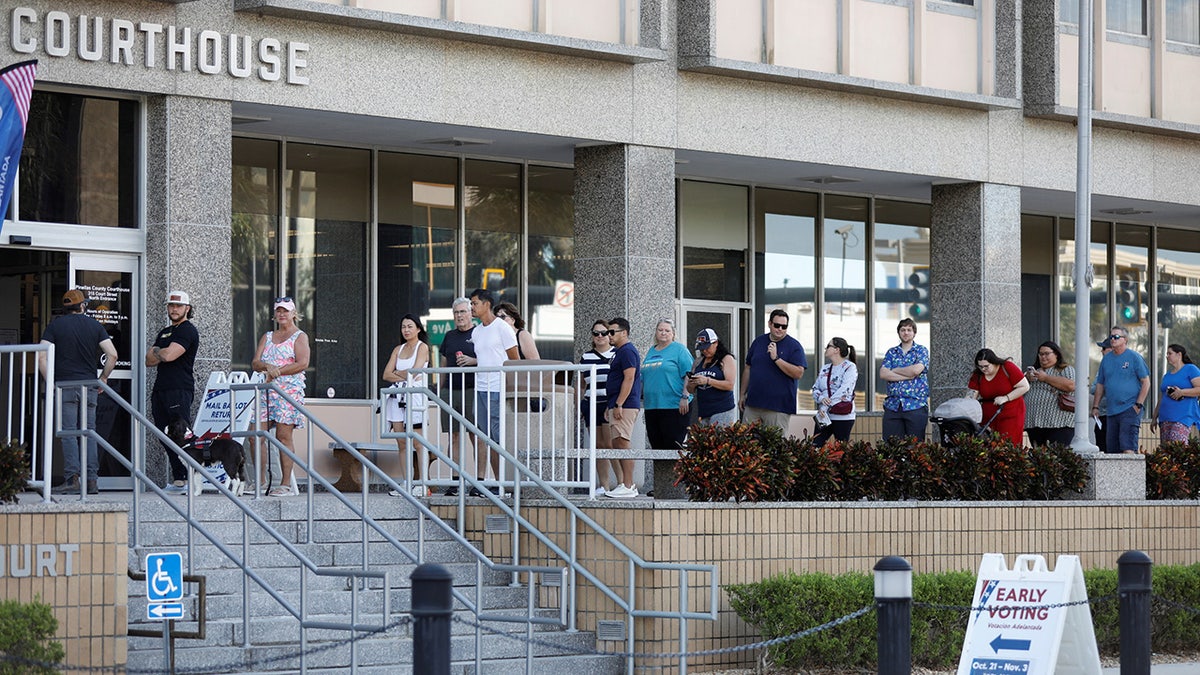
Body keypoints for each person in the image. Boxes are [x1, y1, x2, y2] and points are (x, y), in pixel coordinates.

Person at [40, 289, 117, 495]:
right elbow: (112, 355)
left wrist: (52, 383)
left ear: (65, 308)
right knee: (89, 433)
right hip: (89, 386)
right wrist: (103, 377)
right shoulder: (94, 325)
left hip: (65, 386)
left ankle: (72, 479)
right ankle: (92, 480)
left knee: (69, 433)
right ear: (82, 306)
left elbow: (41, 357)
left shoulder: (55, 326)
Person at [251, 296, 310, 496]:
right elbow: (255, 362)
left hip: (288, 391)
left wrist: (279, 371)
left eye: (285, 310)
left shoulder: (299, 336)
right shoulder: (267, 336)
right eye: (278, 311)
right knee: (255, 434)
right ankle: (260, 481)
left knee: (283, 436)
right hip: (266, 390)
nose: (282, 314)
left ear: (294, 313)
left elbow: (303, 363)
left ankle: (285, 483)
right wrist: (267, 366)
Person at [146, 290, 200, 495]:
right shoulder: (165, 331)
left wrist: (159, 351)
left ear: (187, 308)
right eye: (171, 305)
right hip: (161, 388)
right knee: (164, 434)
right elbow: (148, 360)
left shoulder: (187, 330)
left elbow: (167, 356)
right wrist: (161, 353)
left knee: (181, 433)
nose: (174, 309)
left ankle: (192, 477)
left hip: (179, 389)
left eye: (178, 306)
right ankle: (179, 478)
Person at [469, 288, 519, 494]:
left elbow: (514, 360)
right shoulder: (477, 330)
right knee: (485, 437)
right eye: (471, 304)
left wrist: (510, 387)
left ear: (486, 304)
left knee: (500, 438)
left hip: (498, 389)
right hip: (480, 388)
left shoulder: (502, 328)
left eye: (474, 303)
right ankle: (499, 482)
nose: (472, 307)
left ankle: (508, 483)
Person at [382, 314, 431, 497]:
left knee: (418, 442)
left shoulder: (422, 347)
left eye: (410, 326)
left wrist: (400, 373)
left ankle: (423, 483)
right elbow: (386, 374)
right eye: (403, 327)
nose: (406, 330)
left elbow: (416, 372)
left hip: (415, 397)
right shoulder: (398, 348)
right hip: (397, 396)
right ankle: (407, 482)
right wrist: (404, 375)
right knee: (401, 441)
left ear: (418, 328)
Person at [740, 309, 807, 434]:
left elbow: (798, 373)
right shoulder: (758, 342)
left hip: (778, 407)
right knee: (746, 445)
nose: (780, 329)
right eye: (777, 325)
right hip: (753, 404)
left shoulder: (794, 346)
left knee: (776, 448)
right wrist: (742, 394)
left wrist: (776, 358)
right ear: (770, 324)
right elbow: (748, 368)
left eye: (784, 326)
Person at [1090, 326, 1151, 454]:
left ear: (1125, 340)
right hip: (1111, 411)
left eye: (1117, 336)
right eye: (1111, 337)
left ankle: (1131, 474)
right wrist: (1095, 407)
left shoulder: (1134, 357)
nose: (1113, 339)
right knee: (1112, 449)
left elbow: (1146, 382)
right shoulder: (1106, 359)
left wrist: (1138, 404)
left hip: (1129, 408)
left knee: (1127, 446)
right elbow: (1100, 384)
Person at [579, 319, 622, 495]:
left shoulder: (616, 354)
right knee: (597, 446)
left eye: (604, 333)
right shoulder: (586, 357)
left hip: (608, 403)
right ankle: (603, 485)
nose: (600, 336)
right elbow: (581, 384)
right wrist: (578, 406)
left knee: (610, 444)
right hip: (591, 403)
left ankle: (622, 483)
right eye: (596, 333)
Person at [439, 297, 477, 497]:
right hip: (451, 391)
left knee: (475, 436)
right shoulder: (449, 336)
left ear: (471, 313)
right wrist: (440, 389)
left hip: (473, 390)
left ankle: (479, 482)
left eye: (463, 312)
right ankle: (456, 481)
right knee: (453, 436)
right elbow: (444, 364)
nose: (459, 316)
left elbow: (491, 359)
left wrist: (473, 361)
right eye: (456, 313)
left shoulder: (479, 334)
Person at [641, 319, 693, 451]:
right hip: (652, 406)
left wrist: (685, 396)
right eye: (660, 330)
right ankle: (660, 473)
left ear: (673, 333)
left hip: (674, 406)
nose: (663, 333)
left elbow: (689, 373)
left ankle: (672, 473)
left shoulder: (679, 349)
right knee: (656, 448)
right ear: (656, 332)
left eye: (667, 330)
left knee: (672, 448)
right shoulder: (651, 351)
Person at [605, 317, 642, 499]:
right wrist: (611, 404)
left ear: (624, 333)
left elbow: (629, 378)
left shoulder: (627, 351)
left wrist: (619, 403)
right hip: (617, 403)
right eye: (607, 332)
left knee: (622, 441)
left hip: (625, 404)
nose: (608, 336)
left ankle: (629, 485)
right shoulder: (618, 352)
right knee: (617, 443)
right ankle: (625, 484)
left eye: (612, 332)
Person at [879, 318, 930, 442]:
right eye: (902, 330)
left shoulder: (921, 350)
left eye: (909, 330)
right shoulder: (892, 352)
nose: (906, 333)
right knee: (892, 446)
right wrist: (908, 375)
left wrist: (895, 369)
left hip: (915, 405)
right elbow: (883, 373)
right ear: (899, 333)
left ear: (914, 333)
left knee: (915, 447)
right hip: (893, 406)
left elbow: (916, 370)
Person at [967, 348, 1029, 447]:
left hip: (1010, 413)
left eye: (986, 366)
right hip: (989, 416)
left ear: (994, 362)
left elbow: (1025, 386)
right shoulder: (978, 374)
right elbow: (971, 395)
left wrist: (1006, 397)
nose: (983, 369)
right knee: (989, 444)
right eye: (980, 367)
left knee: (1008, 444)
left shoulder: (1007, 367)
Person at [1023, 340, 1076, 447]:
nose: (1043, 357)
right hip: (1034, 423)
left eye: (1047, 354)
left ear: (1056, 354)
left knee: (1056, 456)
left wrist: (1045, 378)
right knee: (1040, 457)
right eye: (1041, 354)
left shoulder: (1065, 369)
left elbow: (1070, 386)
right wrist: (1026, 379)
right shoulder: (1033, 372)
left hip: (1059, 423)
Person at [811, 338, 859, 446]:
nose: (826, 348)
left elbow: (845, 390)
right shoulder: (825, 368)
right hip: (824, 416)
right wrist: (821, 399)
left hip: (842, 416)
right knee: (815, 446)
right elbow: (815, 388)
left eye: (828, 346)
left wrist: (825, 406)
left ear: (836, 350)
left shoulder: (849, 367)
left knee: (840, 450)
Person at [686, 328, 737, 426]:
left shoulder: (726, 359)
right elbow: (690, 390)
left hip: (722, 409)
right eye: (702, 348)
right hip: (704, 410)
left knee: (718, 439)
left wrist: (708, 381)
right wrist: (692, 383)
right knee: (705, 440)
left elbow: (730, 385)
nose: (704, 350)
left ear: (716, 343)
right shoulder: (698, 361)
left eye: (707, 347)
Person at [1151, 344, 1200, 443]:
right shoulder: (1167, 375)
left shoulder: (1190, 369)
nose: (1167, 356)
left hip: (1182, 417)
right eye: (1166, 354)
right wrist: (1154, 417)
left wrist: (1182, 392)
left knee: (1178, 447)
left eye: (1170, 353)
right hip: (1165, 418)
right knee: (1166, 452)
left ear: (1179, 355)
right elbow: (1162, 398)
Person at [1090, 337, 1113, 453]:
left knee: (1112, 447)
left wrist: (1101, 386)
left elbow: (1096, 388)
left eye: (1104, 348)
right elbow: (1093, 389)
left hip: (1113, 414)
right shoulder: (1102, 367)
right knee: (1101, 445)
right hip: (1101, 414)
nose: (1102, 351)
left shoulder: (1115, 367)